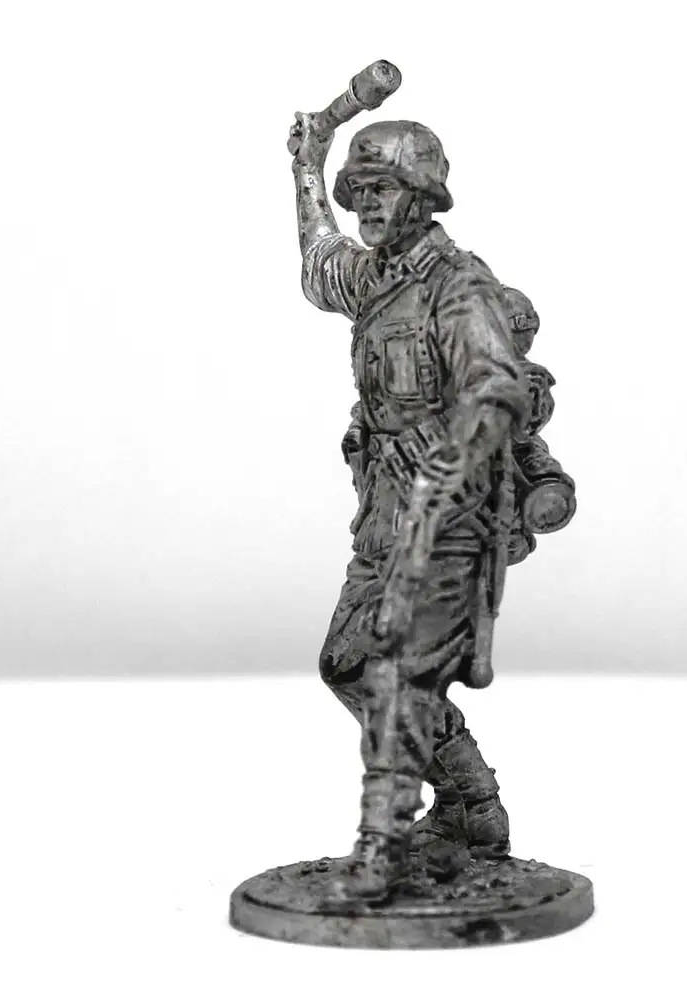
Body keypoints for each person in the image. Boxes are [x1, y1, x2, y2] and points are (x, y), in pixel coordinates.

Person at [289, 114, 530, 899]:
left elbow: (496, 388)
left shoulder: (457, 285)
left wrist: (447, 472)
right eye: (357, 190)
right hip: (384, 513)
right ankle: (472, 808)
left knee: (399, 677)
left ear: (423, 197)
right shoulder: (376, 278)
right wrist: (307, 166)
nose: (365, 204)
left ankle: (382, 850)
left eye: (382, 188)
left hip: (447, 519)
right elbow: (319, 262)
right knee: (348, 664)